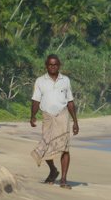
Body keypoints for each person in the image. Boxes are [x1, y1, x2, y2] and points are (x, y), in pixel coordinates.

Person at [30, 54, 79, 189]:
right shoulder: (40, 81)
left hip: (62, 116)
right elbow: (36, 100)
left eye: (55, 64)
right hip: (47, 116)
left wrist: (75, 121)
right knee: (46, 145)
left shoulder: (66, 80)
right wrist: (33, 116)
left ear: (59, 65)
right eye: (50, 64)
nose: (53, 67)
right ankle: (53, 170)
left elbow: (70, 101)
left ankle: (63, 179)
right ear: (46, 65)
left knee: (65, 147)